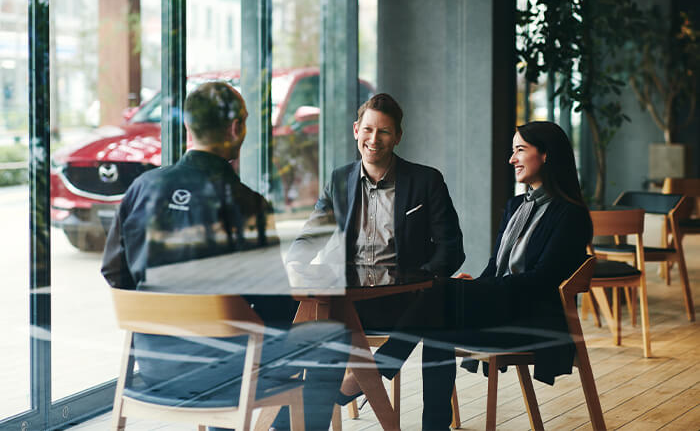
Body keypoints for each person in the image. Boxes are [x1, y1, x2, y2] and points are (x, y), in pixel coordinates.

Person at [101, 82, 349, 431]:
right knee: (332, 336)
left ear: (188, 127)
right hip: (225, 377)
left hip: (154, 367)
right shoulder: (245, 203)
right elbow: (276, 310)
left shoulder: (142, 188)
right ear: (236, 128)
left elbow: (114, 272)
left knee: (237, 339)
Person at [285, 93, 465, 414]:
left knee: (440, 305)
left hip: (405, 302)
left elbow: (451, 249)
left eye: (383, 132)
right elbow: (312, 234)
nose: (374, 139)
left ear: (397, 137)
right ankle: (300, 417)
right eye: (368, 130)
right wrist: (296, 262)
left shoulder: (426, 181)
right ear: (356, 130)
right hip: (348, 302)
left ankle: (374, 378)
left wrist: (424, 279)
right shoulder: (340, 179)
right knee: (313, 316)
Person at [418, 121, 593, 430]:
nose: (512, 159)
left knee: (435, 299)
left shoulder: (570, 214)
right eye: (512, 151)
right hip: (500, 308)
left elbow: (542, 282)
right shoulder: (516, 206)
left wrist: (481, 292)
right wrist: (476, 286)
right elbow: (494, 267)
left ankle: (372, 373)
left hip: (532, 322)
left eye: (520, 150)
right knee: (436, 311)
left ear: (546, 155)